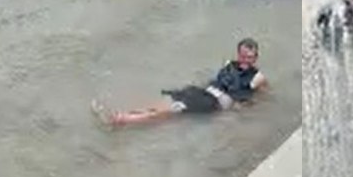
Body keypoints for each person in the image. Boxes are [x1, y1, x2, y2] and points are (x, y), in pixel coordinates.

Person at [97, 38, 269, 127]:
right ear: (238, 53)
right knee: (164, 104)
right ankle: (124, 115)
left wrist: (234, 113)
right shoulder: (229, 64)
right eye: (243, 55)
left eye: (250, 56)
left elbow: (258, 98)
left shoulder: (257, 76)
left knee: (171, 109)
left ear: (256, 57)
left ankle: (122, 120)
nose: (246, 59)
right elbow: (215, 81)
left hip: (213, 103)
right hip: (201, 93)